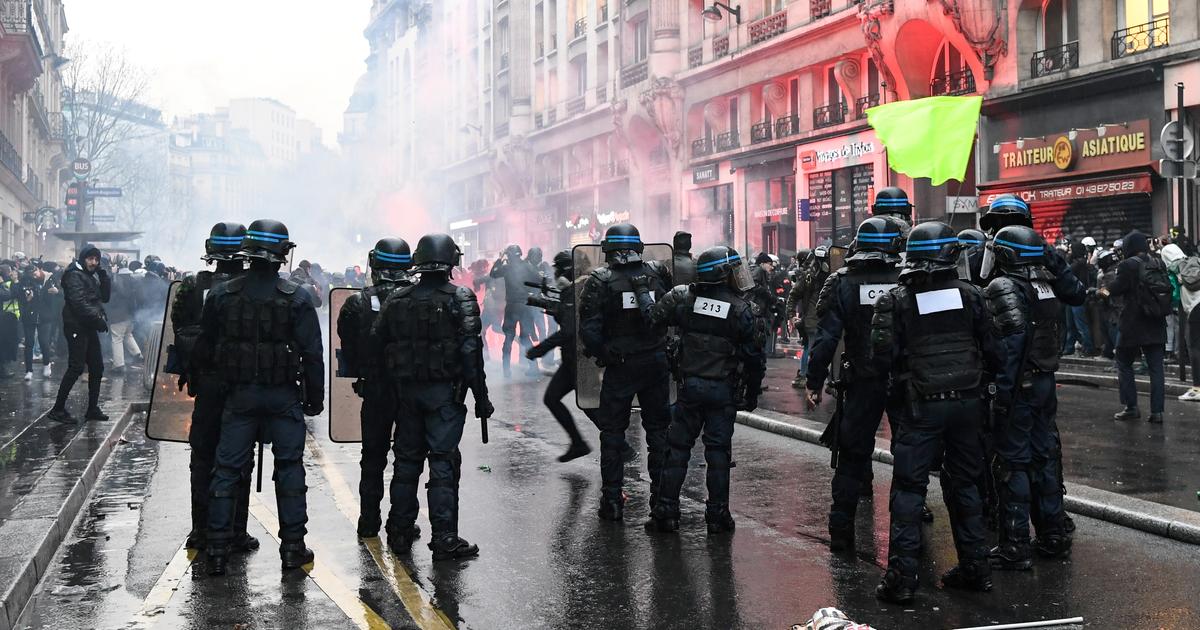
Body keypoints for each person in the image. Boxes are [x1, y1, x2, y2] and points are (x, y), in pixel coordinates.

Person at [869, 221, 999, 604]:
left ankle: (902, 579)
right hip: (967, 405)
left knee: (909, 491)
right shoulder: (972, 296)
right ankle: (976, 569)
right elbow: (994, 349)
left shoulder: (894, 300)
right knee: (966, 486)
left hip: (919, 407)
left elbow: (881, 359)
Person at [200, 220, 324, 576]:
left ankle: (218, 548)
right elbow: (312, 354)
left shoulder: (222, 295)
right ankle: (292, 549)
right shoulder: (297, 297)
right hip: (283, 397)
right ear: (283, 253)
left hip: (238, 397)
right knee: (289, 470)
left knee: (226, 471)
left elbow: (207, 349)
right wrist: (314, 400)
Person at [373, 233, 492, 560]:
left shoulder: (398, 299)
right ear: (451, 261)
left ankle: (398, 531)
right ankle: (444, 539)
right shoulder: (461, 298)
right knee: (442, 463)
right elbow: (472, 353)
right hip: (444, 397)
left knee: (407, 462)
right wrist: (481, 397)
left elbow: (377, 343)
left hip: (407, 395)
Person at [984, 225, 1085, 570]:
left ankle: (1014, 544)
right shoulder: (1046, 284)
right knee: (1045, 459)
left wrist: (1001, 397)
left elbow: (1011, 347)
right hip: (1044, 381)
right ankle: (1052, 534)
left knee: (1014, 464)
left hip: (1021, 386)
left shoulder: (1005, 286)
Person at [645, 246, 765, 533]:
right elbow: (754, 359)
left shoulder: (684, 298)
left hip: (689, 387)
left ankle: (666, 511)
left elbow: (654, 319)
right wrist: (752, 393)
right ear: (723, 274)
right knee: (718, 453)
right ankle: (717, 515)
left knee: (677, 449)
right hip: (722, 391)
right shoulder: (741, 309)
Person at [804, 216, 906, 552]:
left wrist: (814, 380)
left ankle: (841, 531)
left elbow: (826, 337)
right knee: (909, 457)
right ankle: (907, 540)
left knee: (850, 458)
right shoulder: (906, 278)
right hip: (904, 379)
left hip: (862, 380)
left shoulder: (842, 282)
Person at [172, 223, 258, 554]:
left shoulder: (194, 285)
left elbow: (179, 326)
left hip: (206, 384)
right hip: (242, 385)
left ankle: (201, 530)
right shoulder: (253, 287)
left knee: (203, 457)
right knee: (239, 460)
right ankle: (236, 531)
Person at [579, 223, 673, 521]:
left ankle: (612, 501)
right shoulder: (657, 273)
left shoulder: (600, 280)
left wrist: (606, 354)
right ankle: (661, 501)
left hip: (621, 367)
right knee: (659, 432)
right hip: (656, 363)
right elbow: (668, 314)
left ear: (607, 249)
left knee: (612, 433)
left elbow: (589, 331)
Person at [336, 238, 413, 543]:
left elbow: (348, 344)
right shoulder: (414, 299)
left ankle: (368, 521)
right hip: (409, 392)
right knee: (406, 459)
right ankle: (401, 523)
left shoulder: (358, 303)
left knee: (372, 458)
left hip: (375, 390)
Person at [527, 250, 593, 462]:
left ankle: (621, 448)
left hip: (580, 360)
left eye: (558, 269)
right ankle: (578, 443)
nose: (555, 274)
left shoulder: (578, 289)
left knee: (593, 408)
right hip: (573, 360)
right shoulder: (577, 289)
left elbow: (568, 331)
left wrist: (540, 349)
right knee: (554, 399)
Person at [1107, 230, 1168, 423]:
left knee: (1123, 362)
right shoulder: (1158, 262)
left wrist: (1102, 290)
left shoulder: (1127, 265)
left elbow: (1116, 288)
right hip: (1157, 320)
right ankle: (1157, 412)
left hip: (1133, 323)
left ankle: (1131, 406)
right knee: (1156, 368)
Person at [48, 245, 111, 422]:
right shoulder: (74, 275)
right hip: (76, 327)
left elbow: (105, 297)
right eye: (90, 259)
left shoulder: (90, 276)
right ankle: (58, 409)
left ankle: (92, 409)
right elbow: (79, 303)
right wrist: (97, 319)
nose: (94, 262)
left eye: (96, 259)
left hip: (88, 326)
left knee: (97, 367)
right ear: (83, 259)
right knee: (76, 367)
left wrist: (104, 276)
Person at [490, 244, 539, 377]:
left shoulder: (507, 267)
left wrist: (500, 259)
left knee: (509, 337)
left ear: (509, 255)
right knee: (525, 338)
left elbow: (493, 273)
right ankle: (534, 367)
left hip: (512, 306)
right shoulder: (528, 266)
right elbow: (539, 280)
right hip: (525, 305)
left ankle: (506, 371)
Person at [786, 247, 831, 389]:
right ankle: (810, 378)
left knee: (811, 348)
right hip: (814, 320)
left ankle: (808, 376)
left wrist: (792, 315)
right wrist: (791, 315)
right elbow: (793, 295)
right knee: (814, 348)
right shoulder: (809, 276)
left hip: (820, 319)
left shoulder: (813, 275)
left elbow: (793, 295)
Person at [1161, 243, 1200, 401]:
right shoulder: (1194, 261)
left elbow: (1173, 297)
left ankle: (1197, 389)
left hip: (1195, 309)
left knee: (1195, 347)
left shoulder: (1173, 268)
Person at [1060, 241, 1097, 357]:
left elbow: (1065, 275)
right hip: (1074, 297)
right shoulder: (1084, 263)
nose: (1069, 251)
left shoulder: (1076, 265)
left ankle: (1088, 348)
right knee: (1072, 324)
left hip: (1076, 298)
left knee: (1079, 325)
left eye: (1071, 249)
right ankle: (1070, 346)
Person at [107, 258, 143, 376]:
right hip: (130, 314)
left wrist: (113, 274)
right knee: (127, 334)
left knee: (117, 338)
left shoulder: (116, 279)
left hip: (118, 315)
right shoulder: (134, 278)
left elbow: (111, 296)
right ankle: (137, 354)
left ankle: (118, 364)